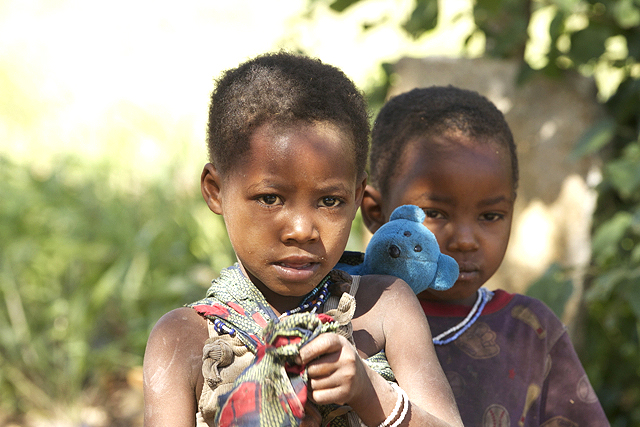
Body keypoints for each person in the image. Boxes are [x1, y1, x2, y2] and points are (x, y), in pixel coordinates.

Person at [142, 53, 463, 427]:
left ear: (358, 196)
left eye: (330, 201)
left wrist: (369, 392)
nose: (301, 230)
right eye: (269, 198)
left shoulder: (385, 307)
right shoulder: (182, 340)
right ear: (216, 191)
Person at [358, 86, 610, 426]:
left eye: (490, 216)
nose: (465, 241)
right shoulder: (346, 310)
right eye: (435, 213)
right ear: (375, 212)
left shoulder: (530, 330)